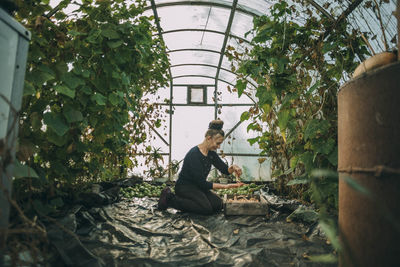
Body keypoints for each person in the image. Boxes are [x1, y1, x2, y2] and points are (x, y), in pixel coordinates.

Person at [157, 119, 245, 215]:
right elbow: (202, 184)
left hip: (198, 187)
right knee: (205, 209)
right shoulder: (194, 154)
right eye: (218, 143)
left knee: (218, 204)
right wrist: (227, 186)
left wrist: (234, 167)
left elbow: (225, 170)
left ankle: (193, 202)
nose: (219, 147)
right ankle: (170, 198)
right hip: (185, 187)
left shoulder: (211, 154)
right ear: (208, 138)